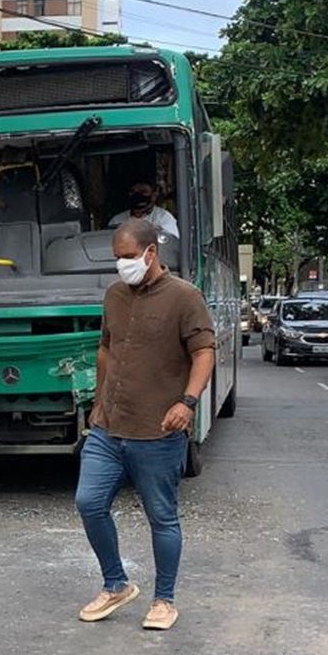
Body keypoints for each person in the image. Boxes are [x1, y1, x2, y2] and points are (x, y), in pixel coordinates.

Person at [75, 219, 215, 631]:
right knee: (89, 502)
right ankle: (116, 584)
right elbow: (106, 349)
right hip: (108, 426)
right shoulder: (114, 296)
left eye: (128, 257)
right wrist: (98, 401)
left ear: (151, 253)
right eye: (117, 258)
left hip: (159, 430)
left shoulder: (185, 297)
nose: (122, 265)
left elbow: (204, 351)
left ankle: (164, 600)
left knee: (162, 516)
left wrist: (188, 402)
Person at [108, 181, 180, 239]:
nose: (138, 196)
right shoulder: (117, 220)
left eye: (144, 192)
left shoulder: (164, 218)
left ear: (154, 195)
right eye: (133, 192)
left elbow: (171, 245)